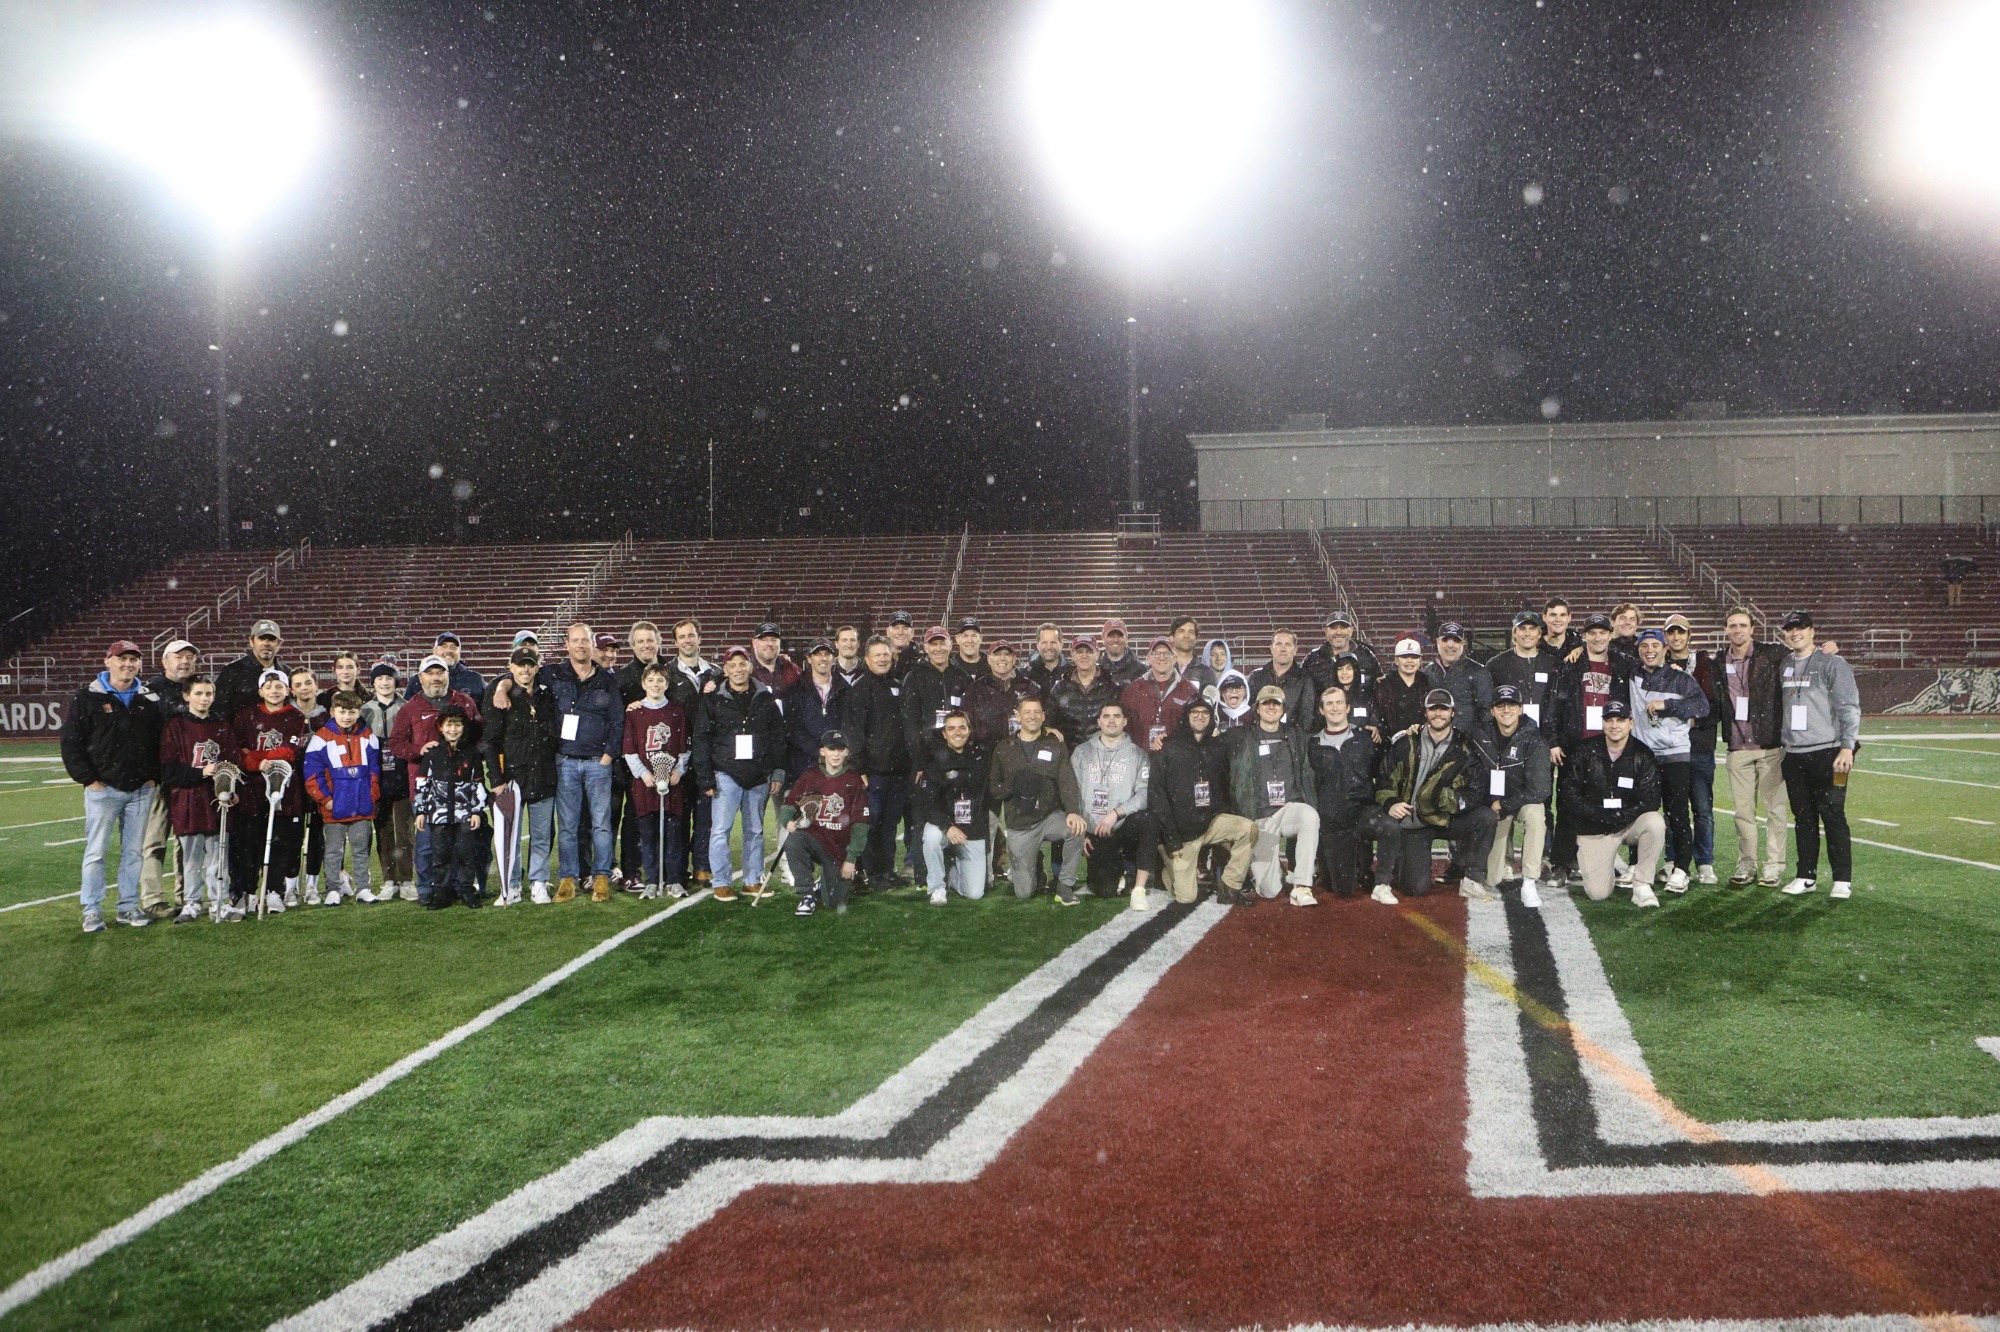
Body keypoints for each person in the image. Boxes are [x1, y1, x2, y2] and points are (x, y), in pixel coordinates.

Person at [61, 640, 166, 931]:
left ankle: (128, 907)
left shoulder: (149, 699)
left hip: (140, 790)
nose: (128, 664)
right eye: (122, 659)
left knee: (133, 852)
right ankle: (92, 909)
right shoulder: (88, 697)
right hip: (103, 789)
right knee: (96, 852)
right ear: (108, 661)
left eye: (133, 659)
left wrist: (152, 777)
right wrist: (88, 780)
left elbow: (160, 743)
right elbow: (71, 743)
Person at [1367, 688, 1495, 903]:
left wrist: (1445, 799)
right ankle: (1402, 862)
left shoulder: (1464, 747)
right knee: (1415, 888)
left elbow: (1475, 791)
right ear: (1425, 712)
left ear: (1453, 712)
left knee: (1486, 818)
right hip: (1415, 823)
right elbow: (1383, 780)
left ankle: (1472, 879)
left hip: (1445, 817)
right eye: (1433, 709)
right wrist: (1391, 802)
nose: (1438, 713)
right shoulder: (1405, 742)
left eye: (1443, 709)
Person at [1776, 611, 1861, 900]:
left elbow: (1848, 706)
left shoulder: (1832, 662)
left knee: (1834, 814)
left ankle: (1842, 878)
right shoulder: (1785, 663)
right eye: (1789, 629)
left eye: (1800, 628)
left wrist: (1848, 746)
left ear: (1813, 631)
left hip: (1831, 752)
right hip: (1795, 755)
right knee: (1803, 817)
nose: (1794, 633)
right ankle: (1806, 875)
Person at [390, 654, 485, 907]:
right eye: (430, 673)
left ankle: (457, 887)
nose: (435, 677)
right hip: (426, 787)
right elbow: (396, 743)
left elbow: (478, 735)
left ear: (447, 675)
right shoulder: (410, 707)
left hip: (462, 788)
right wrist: (418, 751)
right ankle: (426, 889)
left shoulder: (464, 702)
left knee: (460, 843)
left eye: (440, 672)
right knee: (427, 844)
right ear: (420, 678)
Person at [694, 645, 786, 901]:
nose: (737, 669)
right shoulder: (713, 700)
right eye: (732, 665)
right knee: (720, 831)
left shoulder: (765, 698)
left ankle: (752, 880)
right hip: (726, 773)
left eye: (741, 664)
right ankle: (721, 881)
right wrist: (705, 777)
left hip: (758, 774)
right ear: (725, 669)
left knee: (755, 831)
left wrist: (777, 772)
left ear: (750, 666)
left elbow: (778, 737)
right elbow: (701, 739)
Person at [1547, 612, 1631, 884]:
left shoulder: (1621, 664)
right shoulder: (1571, 664)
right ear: (1584, 636)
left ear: (1610, 635)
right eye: (1592, 632)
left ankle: (1600, 861)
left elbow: (1648, 664)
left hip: (1609, 746)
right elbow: (1555, 705)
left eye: (1602, 632)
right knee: (1568, 805)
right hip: (1576, 744)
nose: (1597, 637)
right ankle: (1562, 862)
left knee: (1605, 804)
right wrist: (1554, 740)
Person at [1709, 607, 1789, 888]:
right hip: (1737, 747)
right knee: (1743, 813)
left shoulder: (1773, 654)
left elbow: (1803, 656)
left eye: (1743, 625)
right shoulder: (1718, 661)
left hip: (1769, 745)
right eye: (1732, 625)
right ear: (1726, 630)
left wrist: (1825, 649)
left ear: (1752, 628)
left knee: (1775, 810)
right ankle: (1747, 863)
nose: (1738, 630)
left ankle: (1774, 866)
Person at [1149, 698, 1256, 905]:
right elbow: (1156, 794)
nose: (1200, 716)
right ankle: (1167, 870)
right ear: (1186, 716)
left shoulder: (1217, 746)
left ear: (1211, 718)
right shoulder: (1168, 746)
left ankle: (1230, 885)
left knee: (1247, 828)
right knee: (1186, 898)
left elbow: (1223, 786)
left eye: (1205, 713)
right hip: (1181, 834)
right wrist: (1171, 837)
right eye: (1194, 712)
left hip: (1208, 825)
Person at [1559, 699, 1665, 908]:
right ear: (1603, 723)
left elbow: (1651, 798)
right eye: (1609, 720)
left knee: (1654, 823)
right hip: (1594, 827)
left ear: (1631, 723)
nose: (1614, 725)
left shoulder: (1642, 754)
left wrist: (1620, 816)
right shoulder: (1584, 750)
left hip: (1627, 824)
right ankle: (1606, 861)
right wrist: (1598, 815)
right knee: (1598, 893)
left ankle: (1642, 884)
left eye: (1620, 719)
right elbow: (1569, 794)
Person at [1628, 629, 1710, 893]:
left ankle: (1681, 869)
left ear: (1665, 649)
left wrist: (1669, 706)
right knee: (1642, 813)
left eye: (1655, 645)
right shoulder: (1631, 674)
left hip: (1675, 755)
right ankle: (1638, 866)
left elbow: (1702, 707)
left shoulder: (1681, 678)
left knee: (1677, 814)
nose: (1649, 650)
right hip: (1645, 756)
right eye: (1644, 646)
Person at [1224, 684, 1321, 905]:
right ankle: (1276, 872)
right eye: (1266, 702)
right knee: (1269, 890)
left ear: (1283, 708)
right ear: (1256, 708)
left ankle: (1302, 886)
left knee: (1309, 815)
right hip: (1260, 816)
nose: (1271, 706)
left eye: (1275, 703)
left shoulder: (1296, 736)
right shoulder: (1239, 737)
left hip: (1288, 810)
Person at [229, 666, 311, 915]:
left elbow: (290, 752)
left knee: (279, 842)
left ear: (287, 690)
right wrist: (256, 763)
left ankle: (273, 891)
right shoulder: (246, 716)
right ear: (260, 690)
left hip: (284, 790)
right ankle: (249, 891)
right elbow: (237, 750)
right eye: (269, 686)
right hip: (252, 790)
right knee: (250, 841)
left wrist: (257, 758)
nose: (274, 691)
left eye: (279, 686)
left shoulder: (296, 718)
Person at [481, 647, 560, 905]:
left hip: (544, 775)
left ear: (537, 666)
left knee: (541, 834)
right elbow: (490, 743)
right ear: (511, 667)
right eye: (520, 665)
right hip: (511, 778)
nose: (525, 669)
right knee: (509, 837)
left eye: (530, 664)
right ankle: (512, 885)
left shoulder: (548, 695)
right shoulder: (499, 696)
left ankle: (538, 882)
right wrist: (497, 781)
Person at [990, 695, 1086, 902]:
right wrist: (1014, 787)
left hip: (1048, 817)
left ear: (1043, 717)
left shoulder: (1055, 744)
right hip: (1020, 824)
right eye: (1027, 712)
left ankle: (1065, 884)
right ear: (1018, 716)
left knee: (1076, 829)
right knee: (1024, 893)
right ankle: (1037, 865)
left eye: (1036, 712)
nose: (1032, 716)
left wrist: (1073, 812)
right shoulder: (1004, 748)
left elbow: (1066, 781)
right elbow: (994, 788)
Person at [158, 675, 236, 923]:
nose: (204, 699)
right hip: (188, 799)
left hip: (216, 799)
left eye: (209, 694)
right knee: (191, 859)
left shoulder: (221, 724)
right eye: (199, 693)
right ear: (187, 696)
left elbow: (234, 761)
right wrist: (199, 772)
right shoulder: (176, 726)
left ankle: (219, 902)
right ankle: (191, 903)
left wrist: (231, 789)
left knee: (217, 855)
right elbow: (168, 769)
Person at [841, 635, 916, 890]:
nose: (883, 659)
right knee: (870, 825)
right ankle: (871, 875)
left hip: (898, 772)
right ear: (867, 659)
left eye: (886, 654)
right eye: (878, 655)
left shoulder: (897, 684)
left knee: (889, 825)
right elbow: (854, 732)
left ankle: (887, 871)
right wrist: (859, 768)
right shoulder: (860, 689)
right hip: (873, 773)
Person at [1470, 684, 1552, 908]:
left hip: (1522, 800)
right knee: (1492, 878)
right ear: (1493, 710)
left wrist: (1504, 804)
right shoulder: (1479, 735)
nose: (1506, 710)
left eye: (1512, 705)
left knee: (1537, 816)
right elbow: (1472, 775)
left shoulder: (1534, 739)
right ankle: (1498, 866)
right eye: (1500, 705)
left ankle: (1529, 881)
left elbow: (1541, 789)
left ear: (1520, 709)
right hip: (1495, 803)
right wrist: (1489, 804)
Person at [1070, 701, 1156, 909]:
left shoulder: (1138, 754)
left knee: (1148, 821)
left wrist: (1116, 813)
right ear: (1098, 721)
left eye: (1116, 716)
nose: (1111, 720)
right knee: (1104, 890)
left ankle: (1139, 887)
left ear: (1125, 722)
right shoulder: (1082, 752)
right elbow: (1072, 795)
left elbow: (1144, 794)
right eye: (1106, 716)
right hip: (1095, 830)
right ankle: (1116, 870)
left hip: (1123, 827)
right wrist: (1080, 833)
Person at [138, 636, 200, 917]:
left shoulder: (200, 688)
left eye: (189, 656)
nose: (184, 661)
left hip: (189, 778)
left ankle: (187, 897)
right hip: (160, 778)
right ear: (165, 662)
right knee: (155, 840)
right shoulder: (149, 692)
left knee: (187, 839)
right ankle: (152, 900)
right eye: (178, 656)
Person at [779, 730, 871, 916]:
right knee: (794, 839)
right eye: (831, 749)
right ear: (822, 751)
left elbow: (861, 823)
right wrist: (787, 821)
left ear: (846, 752)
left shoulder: (853, 780)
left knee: (835, 902)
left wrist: (850, 860)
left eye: (840, 749)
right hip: (815, 839)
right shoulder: (810, 776)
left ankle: (825, 882)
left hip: (839, 850)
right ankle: (806, 894)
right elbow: (790, 803)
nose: (836, 754)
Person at [303, 690, 380, 907]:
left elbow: (374, 770)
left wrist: (372, 794)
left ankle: (363, 888)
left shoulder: (368, 736)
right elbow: (312, 774)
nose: (347, 716)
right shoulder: (321, 738)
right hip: (334, 806)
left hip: (362, 803)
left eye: (352, 711)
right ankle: (333, 889)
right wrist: (325, 799)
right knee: (333, 851)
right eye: (342, 711)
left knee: (361, 849)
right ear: (332, 711)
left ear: (359, 712)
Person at [622, 661, 690, 899]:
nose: (655, 684)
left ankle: (674, 880)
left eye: (660, 680)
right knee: (648, 834)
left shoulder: (676, 712)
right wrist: (643, 773)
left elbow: (684, 749)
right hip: (646, 784)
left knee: (673, 834)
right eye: (650, 680)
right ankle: (652, 880)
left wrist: (678, 770)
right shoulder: (635, 714)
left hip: (672, 784)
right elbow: (629, 750)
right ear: (643, 684)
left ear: (667, 684)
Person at [1663, 614, 1722, 885]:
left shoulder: (1707, 665)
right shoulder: (1658, 665)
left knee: (1702, 808)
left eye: (1681, 633)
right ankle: (1673, 859)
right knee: (1673, 808)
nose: (1676, 637)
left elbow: (1716, 706)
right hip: (1670, 747)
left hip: (1698, 745)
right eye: (1671, 633)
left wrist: (1691, 718)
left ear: (1689, 635)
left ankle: (1705, 862)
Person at [613, 621, 670, 889]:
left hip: (667, 760)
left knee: (670, 816)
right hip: (634, 762)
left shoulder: (670, 672)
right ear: (632, 645)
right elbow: (615, 717)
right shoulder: (622, 678)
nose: (646, 645)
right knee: (635, 816)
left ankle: (669, 870)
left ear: (659, 642)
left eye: (651, 640)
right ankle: (631, 871)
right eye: (640, 641)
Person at [413, 705, 487, 909]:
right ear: (441, 727)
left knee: (465, 853)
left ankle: (466, 890)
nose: (453, 729)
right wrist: (421, 811)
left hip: (464, 813)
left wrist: (476, 811)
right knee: (440, 854)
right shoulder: (432, 754)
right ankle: (442, 893)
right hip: (438, 814)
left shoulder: (471, 753)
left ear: (463, 728)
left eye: (457, 725)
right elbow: (422, 784)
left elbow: (478, 784)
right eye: (449, 725)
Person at [1307, 684, 1377, 900]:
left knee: (1385, 827)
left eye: (1339, 703)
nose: (1335, 708)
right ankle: (1329, 866)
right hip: (1331, 818)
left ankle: (1373, 871)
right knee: (1342, 890)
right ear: (1321, 710)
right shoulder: (1313, 744)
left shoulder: (1365, 738)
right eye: (1329, 704)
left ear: (1348, 707)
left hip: (1359, 812)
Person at [912, 710, 989, 904]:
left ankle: (949, 871)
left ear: (969, 731)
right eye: (951, 728)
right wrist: (948, 826)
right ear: (944, 733)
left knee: (974, 893)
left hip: (972, 828)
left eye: (962, 727)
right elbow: (928, 806)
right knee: (931, 836)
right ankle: (937, 887)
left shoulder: (980, 758)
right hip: (945, 826)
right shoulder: (935, 761)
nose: (957, 732)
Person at [667, 618, 721, 888]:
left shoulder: (716, 672)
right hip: (677, 753)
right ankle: (676, 870)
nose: (687, 640)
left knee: (705, 815)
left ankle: (702, 865)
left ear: (700, 638)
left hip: (707, 755)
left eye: (691, 635)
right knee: (677, 815)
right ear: (675, 642)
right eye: (682, 637)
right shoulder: (666, 673)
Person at [363, 663, 415, 901]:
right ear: (372, 682)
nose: (384, 683)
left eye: (389, 678)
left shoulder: (407, 707)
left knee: (404, 831)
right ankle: (389, 880)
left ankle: (406, 879)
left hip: (403, 774)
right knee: (383, 830)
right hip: (377, 777)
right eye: (379, 678)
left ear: (396, 681)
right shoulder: (364, 711)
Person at [1485, 611, 1562, 732]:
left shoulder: (1551, 663)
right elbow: (1488, 703)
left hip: (1545, 733)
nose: (1527, 633)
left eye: (1532, 629)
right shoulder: (1497, 664)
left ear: (1539, 633)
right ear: (1514, 633)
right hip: (1510, 732)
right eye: (1522, 628)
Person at [781, 639, 846, 782]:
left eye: (827, 654)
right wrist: (819, 752)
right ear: (809, 659)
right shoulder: (794, 690)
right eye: (817, 654)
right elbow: (793, 728)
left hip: (838, 764)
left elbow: (848, 725)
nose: (823, 658)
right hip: (804, 765)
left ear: (833, 658)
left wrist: (834, 751)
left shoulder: (845, 690)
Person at [1121, 638, 1200, 754]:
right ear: (1148, 658)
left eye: (1167, 654)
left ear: (1175, 658)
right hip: (1141, 759)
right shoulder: (1133, 690)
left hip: (1176, 759)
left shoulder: (1189, 690)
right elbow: (1125, 728)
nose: (1161, 657)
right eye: (1156, 653)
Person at [290, 666, 328, 904]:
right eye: (298, 684)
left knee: (316, 834)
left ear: (316, 686)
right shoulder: (286, 715)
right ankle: (290, 885)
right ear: (291, 690)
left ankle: (313, 884)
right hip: (291, 782)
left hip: (319, 781)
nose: (304, 688)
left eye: (308, 683)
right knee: (291, 835)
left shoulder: (327, 715)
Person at [1046, 636, 1119, 746]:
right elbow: (1048, 721)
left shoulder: (1111, 688)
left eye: (1089, 651)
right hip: (1069, 754)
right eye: (1079, 652)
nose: (1084, 656)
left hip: (1102, 754)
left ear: (1097, 655)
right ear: (1072, 656)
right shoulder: (1060, 688)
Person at [214, 619, 287, 727]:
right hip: (243, 738)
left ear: (279, 644)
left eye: (271, 639)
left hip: (279, 736)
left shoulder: (286, 672)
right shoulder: (232, 671)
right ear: (251, 641)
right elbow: (220, 709)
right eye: (261, 638)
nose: (266, 643)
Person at [965, 641, 1036, 749]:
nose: (1002, 658)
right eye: (997, 654)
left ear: (1014, 659)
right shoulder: (975, 689)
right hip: (986, 754)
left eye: (1007, 654)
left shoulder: (1029, 687)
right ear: (989, 659)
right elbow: (967, 725)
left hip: (1021, 753)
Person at [1425, 622, 1493, 735]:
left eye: (1456, 640)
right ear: (1437, 642)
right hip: (1434, 742)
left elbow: (1487, 712)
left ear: (1463, 643)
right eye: (1445, 639)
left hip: (1467, 743)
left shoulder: (1478, 672)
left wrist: (1476, 740)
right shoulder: (1429, 671)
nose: (1450, 645)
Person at [1245, 629, 1315, 732]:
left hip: (1291, 741)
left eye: (1288, 644)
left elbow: (1307, 718)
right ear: (1271, 649)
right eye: (1278, 644)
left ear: (1295, 649)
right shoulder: (1256, 677)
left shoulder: (1305, 679)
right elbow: (1250, 712)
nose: (1283, 649)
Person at [1304, 611, 1379, 696]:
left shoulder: (1366, 655)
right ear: (1326, 631)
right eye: (1333, 627)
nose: (1338, 632)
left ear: (1351, 630)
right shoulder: (1312, 659)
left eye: (1343, 627)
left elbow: (1378, 685)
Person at [1375, 636, 1432, 739]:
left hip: (1421, 741)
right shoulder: (1384, 684)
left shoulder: (1427, 683)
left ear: (1420, 660)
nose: (1409, 661)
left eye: (1414, 657)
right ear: (1396, 660)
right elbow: (1378, 716)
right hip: (1390, 743)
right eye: (1405, 657)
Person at [405, 630, 485, 700]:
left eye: (453, 647)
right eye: (444, 646)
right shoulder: (417, 680)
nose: (449, 650)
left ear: (459, 652)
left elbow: (483, 713)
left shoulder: (474, 679)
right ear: (434, 651)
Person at [751, 621, 802, 696]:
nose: (769, 644)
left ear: (779, 643)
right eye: (764, 639)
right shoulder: (746, 670)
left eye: (774, 639)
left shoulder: (792, 669)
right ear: (754, 643)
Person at [1167, 615, 1217, 692]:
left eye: (1191, 632)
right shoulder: (1162, 668)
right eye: (1181, 631)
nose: (1186, 636)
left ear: (1196, 639)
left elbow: (1208, 702)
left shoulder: (1206, 673)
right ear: (1171, 638)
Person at [1025, 622, 1070, 695]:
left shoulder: (1071, 673)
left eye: (1053, 642)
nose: (1049, 647)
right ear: (1037, 645)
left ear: (1061, 644)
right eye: (1044, 642)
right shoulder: (1027, 674)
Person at [1098, 617, 1145, 685]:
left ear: (1126, 638)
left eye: (1120, 635)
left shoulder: (1140, 671)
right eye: (1111, 636)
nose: (1116, 640)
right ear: (1103, 638)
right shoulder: (1094, 669)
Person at [1542, 598, 1583, 662]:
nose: (1558, 619)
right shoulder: (1534, 645)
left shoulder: (1579, 645)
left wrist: (1582, 648)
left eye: (1562, 615)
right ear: (1544, 617)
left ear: (1569, 618)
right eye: (1553, 615)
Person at [885, 611, 922, 677]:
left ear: (912, 632)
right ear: (888, 632)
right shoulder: (880, 659)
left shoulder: (921, 661)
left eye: (905, 628)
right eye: (896, 628)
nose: (900, 632)